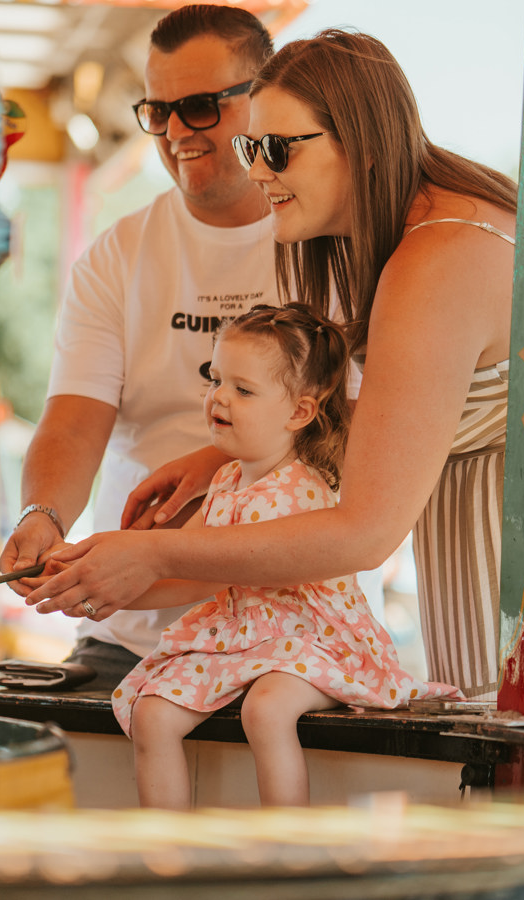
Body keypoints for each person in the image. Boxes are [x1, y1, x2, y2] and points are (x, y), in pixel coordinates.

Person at [30, 30, 524, 728]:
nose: (258, 172)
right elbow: (386, 423)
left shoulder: (438, 257)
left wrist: (153, 552)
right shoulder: (423, 233)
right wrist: (210, 468)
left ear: (363, 144)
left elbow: (362, 531)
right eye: (254, 147)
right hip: (519, 620)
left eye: (279, 148)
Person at [56, 304, 459, 809]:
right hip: (241, 640)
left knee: (267, 711)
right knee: (152, 713)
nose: (219, 397)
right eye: (215, 379)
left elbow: (243, 571)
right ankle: (167, 855)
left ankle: (283, 851)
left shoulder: (305, 489)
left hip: (313, 640)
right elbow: (191, 575)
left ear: (298, 413)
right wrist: (97, 594)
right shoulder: (225, 481)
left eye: (242, 390)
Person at [0, 5, 280, 692]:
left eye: (202, 107)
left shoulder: (322, 243)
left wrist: (217, 460)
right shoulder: (118, 254)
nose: (177, 131)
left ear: (265, 101)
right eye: (159, 111)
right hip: (125, 631)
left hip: (283, 630)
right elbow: (72, 419)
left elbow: (346, 431)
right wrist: (43, 516)